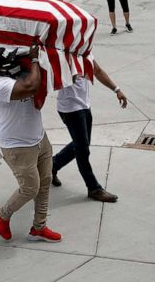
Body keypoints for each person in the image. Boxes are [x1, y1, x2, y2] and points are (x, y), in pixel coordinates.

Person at [0, 45, 62, 243]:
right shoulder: (0, 85)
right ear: (3, 68)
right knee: (30, 188)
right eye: (11, 61)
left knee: (44, 182)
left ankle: (39, 228)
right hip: (17, 146)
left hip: (39, 138)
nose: (16, 62)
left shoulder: (18, 74)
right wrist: (35, 60)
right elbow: (31, 87)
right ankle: (2, 215)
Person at [52, 59, 125, 203]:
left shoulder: (84, 53)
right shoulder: (62, 56)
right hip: (71, 109)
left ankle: (52, 165)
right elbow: (52, 80)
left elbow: (97, 71)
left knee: (82, 144)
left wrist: (117, 89)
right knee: (82, 150)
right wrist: (67, 77)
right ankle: (93, 188)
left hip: (84, 106)